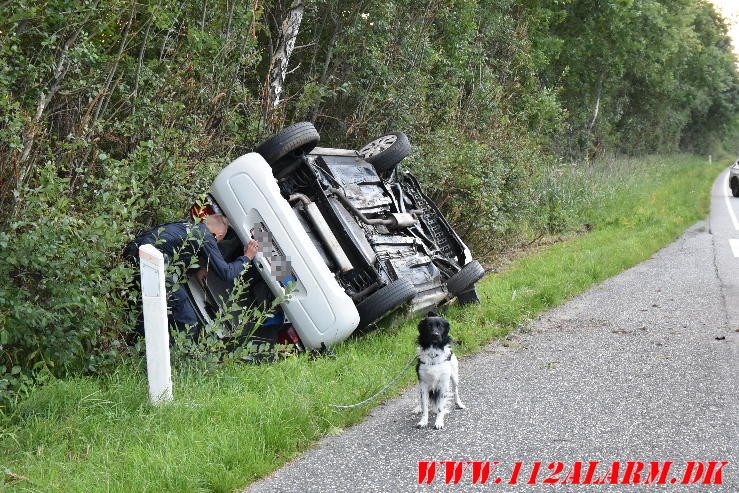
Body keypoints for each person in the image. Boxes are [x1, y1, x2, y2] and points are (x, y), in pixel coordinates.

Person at [123, 214, 259, 339]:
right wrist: (247, 257)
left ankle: (137, 343)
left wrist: (198, 270)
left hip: (135, 256)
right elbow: (226, 273)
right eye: (219, 240)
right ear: (219, 234)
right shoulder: (206, 236)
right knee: (189, 321)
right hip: (152, 265)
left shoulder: (188, 225)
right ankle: (168, 358)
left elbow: (178, 251)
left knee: (148, 309)